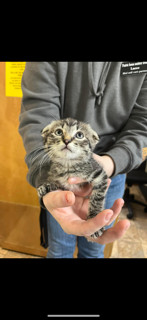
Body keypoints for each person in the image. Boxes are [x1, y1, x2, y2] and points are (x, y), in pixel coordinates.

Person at [19, 62, 147, 258]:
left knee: (94, 248)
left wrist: (111, 163)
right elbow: (39, 110)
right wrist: (46, 175)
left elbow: (142, 122)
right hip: (58, 168)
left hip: (111, 169)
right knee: (60, 248)